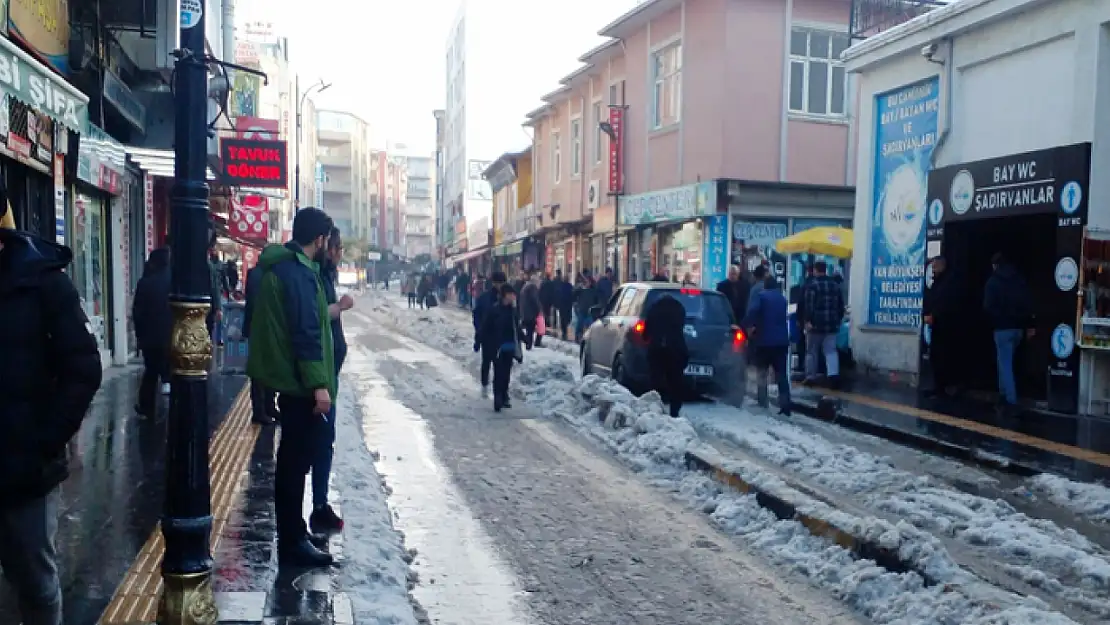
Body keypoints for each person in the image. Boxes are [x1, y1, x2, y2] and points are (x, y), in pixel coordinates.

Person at [0, 223, 103, 625]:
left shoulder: (42, 282)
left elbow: (83, 369)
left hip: (22, 468)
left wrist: (43, 440)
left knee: (35, 584)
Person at [246, 207, 337, 567]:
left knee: (293, 461)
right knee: (295, 463)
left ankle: (294, 531)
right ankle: (292, 541)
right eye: (326, 239)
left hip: (291, 382)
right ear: (319, 239)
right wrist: (319, 385)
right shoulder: (297, 274)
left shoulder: (283, 268)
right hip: (300, 386)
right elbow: (306, 332)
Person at [312, 227, 354, 533]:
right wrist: (339, 307)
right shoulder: (314, 275)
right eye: (336, 247)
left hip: (327, 374)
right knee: (317, 444)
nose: (338, 254)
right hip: (320, 376)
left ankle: (319, 504)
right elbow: (311, 320)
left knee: (323, 443)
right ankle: (315, 509)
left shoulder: (322, 274)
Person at [983, 252, 1035, 413]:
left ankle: (1010, 400)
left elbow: (988, 306)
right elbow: (1028, 303)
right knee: (1006, 362)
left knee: (1005, 365)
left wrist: (996, 319)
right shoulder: (1019, 280)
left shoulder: (993, 282)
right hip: (1018, 329)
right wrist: (1029, 325)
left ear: (995, 265)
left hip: (1002, 328)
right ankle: (1003, 396)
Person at [132, 247, 172, 419]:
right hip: (171, 335)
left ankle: (147, 407)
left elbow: (137, 313)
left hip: (150, 338)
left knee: (151, 372)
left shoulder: (145, 282)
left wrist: (139, 337)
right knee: (172, 372)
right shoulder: (174, 281)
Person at [744, 276, 792, 416]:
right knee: (781, 374)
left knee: (762, 372)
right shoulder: (783, 299)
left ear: (765, 285)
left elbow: (752, 312)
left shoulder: (761, 297)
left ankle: (762, 400)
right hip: (781, 342)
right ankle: (785, 405)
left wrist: (749, 326)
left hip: (764, 341)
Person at [479, 283, 525, 412]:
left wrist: (525, 339)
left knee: (506, 374)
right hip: (497, 346)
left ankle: (504, 394)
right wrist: (479, 341)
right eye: (511, 294)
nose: (513, 297)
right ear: (505, 295)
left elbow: (516, 328)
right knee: (499, 372)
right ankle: (498, 397)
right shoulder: (494, 310)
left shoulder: (513, 311)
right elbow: (485, 327)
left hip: (510, 346)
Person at [244, 260, 280, 425]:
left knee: (260, 370)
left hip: (256, 327)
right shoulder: (270, 275)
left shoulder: (254, 273)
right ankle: (264, 409)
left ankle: (264, 408)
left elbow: (250, 303)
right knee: (266, 370)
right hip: (266, 328)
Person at [643, 293, 689, 417]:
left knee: (656, 380)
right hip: (676, 350)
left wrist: (648, 338)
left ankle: (656, 410)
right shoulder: (679, 309)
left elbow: (646, 331)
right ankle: (674, 411)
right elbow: (681, 326)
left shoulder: (654, 308)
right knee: (676, 381)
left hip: (657, 350)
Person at [803, 261, 846, 388]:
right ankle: (833, 375)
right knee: (831, 351)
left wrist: (808, 320)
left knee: (812, 351)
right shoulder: (835, 285)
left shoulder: (813, 286)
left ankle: (811, 376)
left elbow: (809, 305)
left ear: (816, 270)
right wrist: (837, 319)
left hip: (815, 325)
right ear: (825, 269)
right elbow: (840, 306)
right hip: (831, 325)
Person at [923, 256, 961, 397]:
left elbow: (946, 303)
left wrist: (934, 314)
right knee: (936, 356)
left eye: (935, 267)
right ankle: (939, 386)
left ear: (942, 266)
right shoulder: (937, 282)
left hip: (946, 326)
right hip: (937, 326)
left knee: (944, 357)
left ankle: (946, 387)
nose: (932, 270)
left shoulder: (949, 283)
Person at [473, 271, 508, 397]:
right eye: (498, 283)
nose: (500, 285)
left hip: (502, 336)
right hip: (487, 335)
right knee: (486, 361)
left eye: (502, 283)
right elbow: (477, 315)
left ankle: (499, 390)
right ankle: (484, 384)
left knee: (500, 365)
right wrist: (479, 330)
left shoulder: (507, 298)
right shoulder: (484, 298)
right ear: (493, 283)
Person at [519, 272, 543, 349]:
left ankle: (529, 344)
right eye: (538, 281)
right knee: (531, 329)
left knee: (529, 329)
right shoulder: (532, 287)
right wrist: (539, 309)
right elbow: (535, 299)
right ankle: (529, 344)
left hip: (525, 312)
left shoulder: (525, 286)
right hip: (530, 313)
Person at [573, 271, 598, 343]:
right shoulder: (581, 290)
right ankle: (577, 338)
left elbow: (596, 300)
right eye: (586, 282)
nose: (587, 283)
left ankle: (590, 340)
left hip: (589, 312)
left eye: (588, 282)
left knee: (590, 327)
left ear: (590, 283)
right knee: (579, 325)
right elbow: (574, 295)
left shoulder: (593, 291)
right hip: (582, 311)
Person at [554, 269, 574, 340]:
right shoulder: (569, 286)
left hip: (563, 305)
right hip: (566, 305)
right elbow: (572, 295)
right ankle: (564, 330)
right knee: (566, 318)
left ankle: (564, 330)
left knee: (563, 318)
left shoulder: (561, 286)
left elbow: (558, 295)